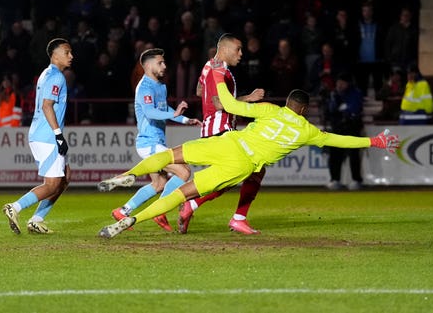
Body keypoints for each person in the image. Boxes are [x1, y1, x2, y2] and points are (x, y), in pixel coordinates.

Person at [97, 72, 399, 239]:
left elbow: (229, 105)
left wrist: (215, 77)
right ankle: (131, 221)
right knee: (182, 195)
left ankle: (127, 175)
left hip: (227, 143)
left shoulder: (269, 110)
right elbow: (340, 140)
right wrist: (375, 141)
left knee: (170, 157)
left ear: (288, 104)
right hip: (241, 164)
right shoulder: (308, 131)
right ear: (304, 110)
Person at [103, 48, 201, 231]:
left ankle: (123, 211)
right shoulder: (144, 87)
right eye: (160, 63)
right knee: (184, 172)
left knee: (159, 184)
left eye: (164, 62)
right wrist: (175, 114)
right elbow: (150, 112)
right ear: (148, 66)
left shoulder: (161, 86)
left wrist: (186, 119)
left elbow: (164, 111)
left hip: (156, 143)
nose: (164, 66)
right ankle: (160, 211)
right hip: (148, 143)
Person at [178, 34, 266, 235]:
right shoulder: (221, 69)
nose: (241, 54)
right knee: (250, 170)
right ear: (225, 49)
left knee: (235, 175)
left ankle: (192, 206)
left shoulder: (209, 66)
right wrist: (249, 98)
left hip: (214, 129)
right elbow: (219, 103)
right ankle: (234, 217)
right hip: (221, 130)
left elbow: (200, 91)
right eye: (238, 49)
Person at [2, 38, 73, 234]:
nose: (71, 56)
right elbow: (47, 105)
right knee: (51, 185)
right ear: (55, 55)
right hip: (47, 135)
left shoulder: (46, 74)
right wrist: (58, 136)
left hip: (40, 133)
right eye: (67, 52)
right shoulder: (56, 76)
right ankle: (15, 207)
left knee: (65, 177)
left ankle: (37, 219)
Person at [324, 73, 364, 191]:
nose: (339, 85)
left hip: (352, 127)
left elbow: (354, 109)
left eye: (342, 82)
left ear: (348, 83)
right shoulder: (334, 94)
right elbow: (331, 109)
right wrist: (341, 108)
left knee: (353, 155)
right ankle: (335, 179)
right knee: (335, 154)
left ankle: (356, 180)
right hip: (337, 127)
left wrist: (343, 109)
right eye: (338, 82)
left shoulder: (355, 92)